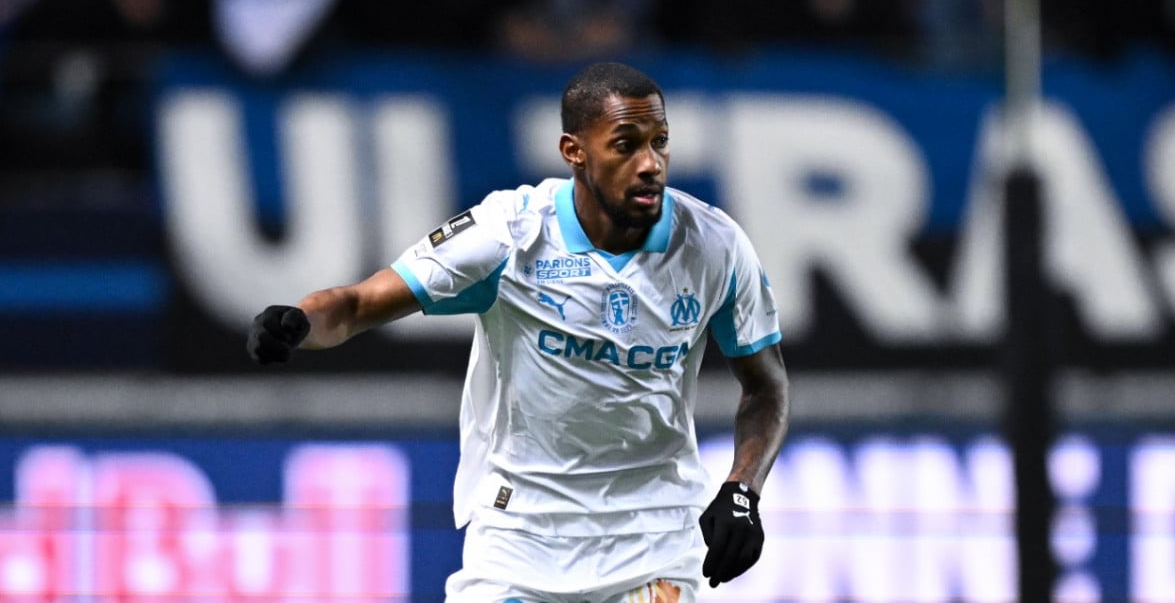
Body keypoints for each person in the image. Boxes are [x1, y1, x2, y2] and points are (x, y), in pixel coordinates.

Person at [246, 61, 789, 602]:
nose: (650, 164)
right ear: (574, 151)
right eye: (626, 145)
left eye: (660, 142)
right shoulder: (509, 234)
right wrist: (297, 323)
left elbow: (766, 386)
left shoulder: (714, 245)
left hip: (654, 538)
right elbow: (357, 304)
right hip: (520, 539)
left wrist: (743, 488)